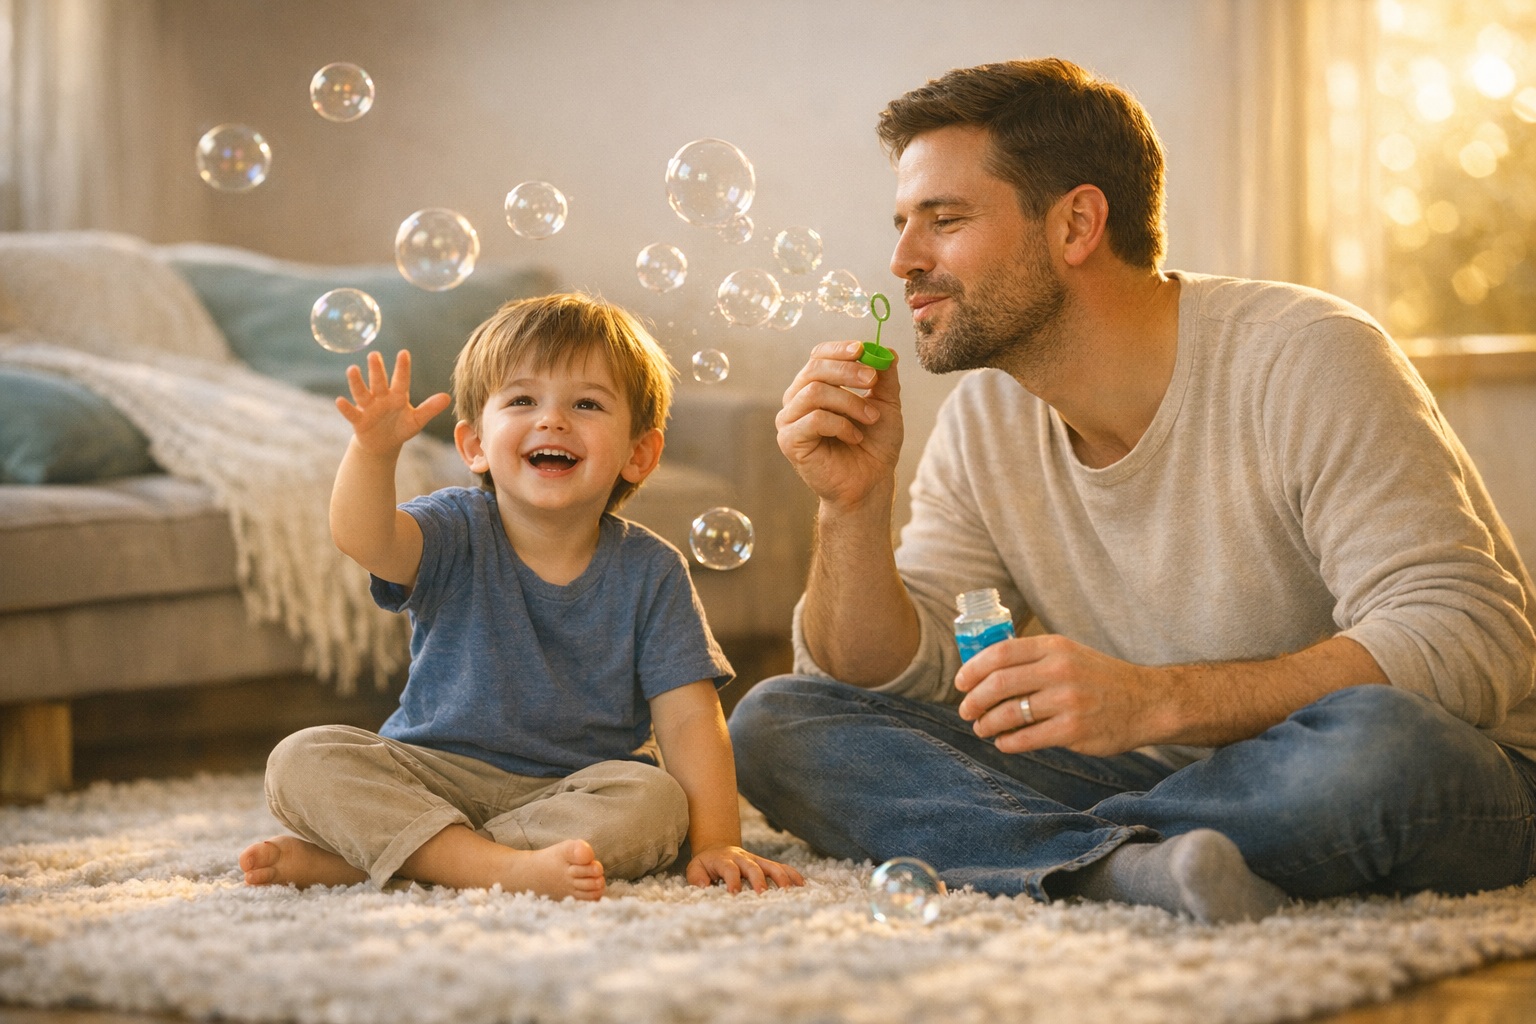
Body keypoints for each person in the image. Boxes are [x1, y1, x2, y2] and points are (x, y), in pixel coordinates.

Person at [729, 57, 1536, 924]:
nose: (902, 260)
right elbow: (895, 680)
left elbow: (1468, 632)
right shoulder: (985, 420)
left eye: (945, 220)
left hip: (1416, 770)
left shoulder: (1308, 353)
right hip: (1162, 777)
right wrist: (851, 504)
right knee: (778, 722)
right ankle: (1130, 870)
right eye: (901, 224)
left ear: (1077, 223)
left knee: (1382, 749)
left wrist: (1154, 699)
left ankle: (1045, 851)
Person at [240, 293, 805, 899]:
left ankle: (397, 857)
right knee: (302, 758)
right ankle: (493, 865)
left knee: (657, 803)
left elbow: (691, 718)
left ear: (639, 454)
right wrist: (374, 452)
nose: (552, 421)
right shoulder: (453, 527)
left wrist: (717, 840)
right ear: (475, 444)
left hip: (574, 790)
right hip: (434, 773)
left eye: (587, 403)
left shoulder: (653, 570)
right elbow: (364, 538)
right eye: (522, 400)